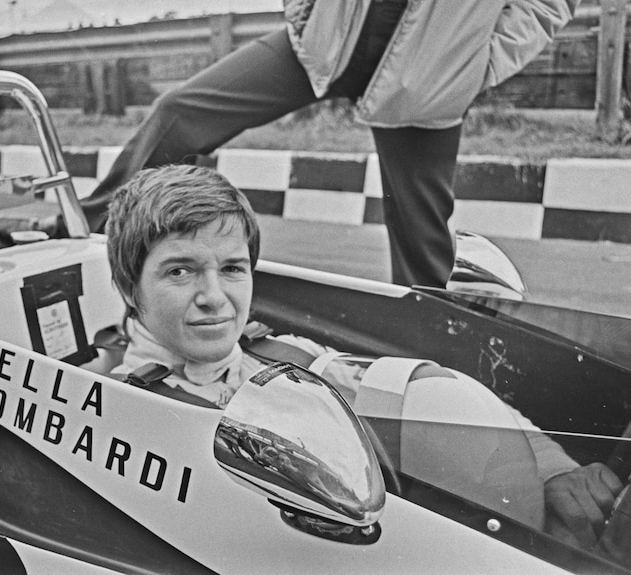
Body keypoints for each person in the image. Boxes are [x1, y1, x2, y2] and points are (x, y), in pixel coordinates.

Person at [105, 163, 623, 552]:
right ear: (131, 288)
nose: (215, 296)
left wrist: (552, 468)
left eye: (233, 269)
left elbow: (434, 394)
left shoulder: (284, 352)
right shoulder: (121, 412)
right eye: (180, 271)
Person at [82, 0, 580, 288]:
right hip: (326, 42)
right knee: (181, 112)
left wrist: (478, 65)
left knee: (420, 233)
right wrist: (304, 15)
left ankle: (427, 359)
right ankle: (84, 224)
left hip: (432, 67)